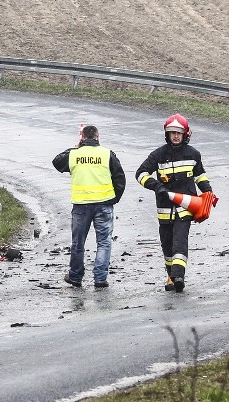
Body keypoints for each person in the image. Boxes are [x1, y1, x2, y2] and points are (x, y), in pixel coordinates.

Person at [135, 113, 213, 293]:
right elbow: (140, 174)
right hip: (164, 209)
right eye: (172, 133)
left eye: (179, 133)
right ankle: (171, 276)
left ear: (186, 134)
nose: (176, 136)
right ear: (167, 134)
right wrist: (156, 186)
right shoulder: (158, 155)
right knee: (167, 244)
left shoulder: (193, 154)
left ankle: (179, 276)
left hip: (185, 208)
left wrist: (208, 192)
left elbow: (200, 175)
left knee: (180, 241)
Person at [53, 125, 126, 288]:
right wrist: (114, 199)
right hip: (104, 204)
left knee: (78, 242)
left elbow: (56, 162)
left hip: (81, 206)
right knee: (104, 243)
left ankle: (75, 277)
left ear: (83, 138)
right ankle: (100, 278)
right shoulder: (107, 154)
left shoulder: (74, 154)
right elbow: (120, 178)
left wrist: (76, 148)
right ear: (98, 138)